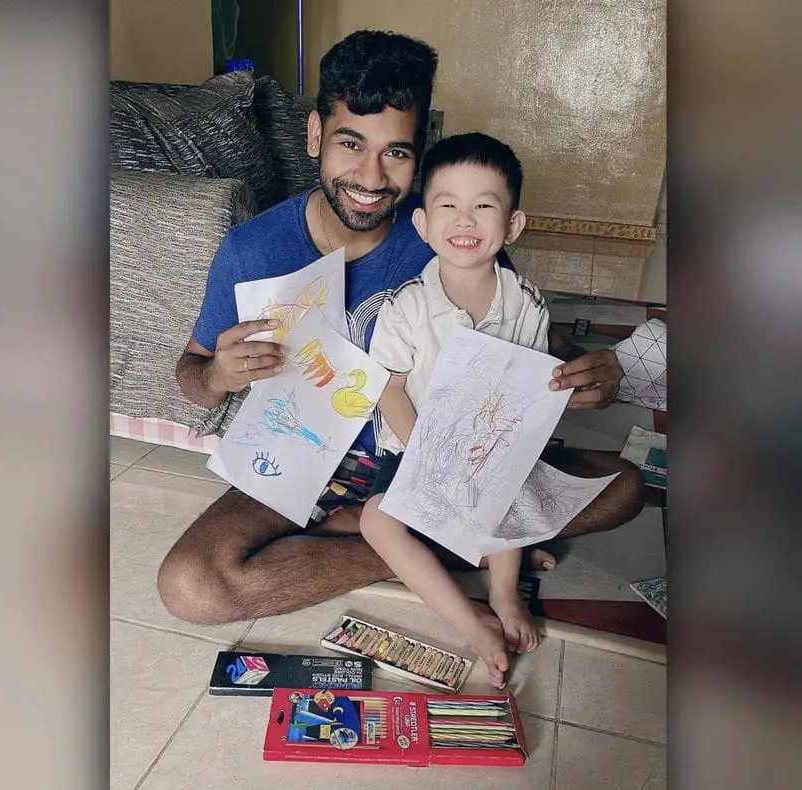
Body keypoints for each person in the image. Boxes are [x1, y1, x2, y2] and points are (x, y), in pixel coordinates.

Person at [158, 29, 643, 627]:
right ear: (314, 135)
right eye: (350, 143)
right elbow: (190, 374)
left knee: (624, 486)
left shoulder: (448, 236)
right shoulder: (252, 249)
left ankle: (413, 540)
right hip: (308, 462)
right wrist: (215, 374)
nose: (371, 175)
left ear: (421, 153)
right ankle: (426, 550)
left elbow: (525, 339)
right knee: (192, 586)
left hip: (447, 456)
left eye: (397, 152)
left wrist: (587, 371)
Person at [361, 132, 574, 688]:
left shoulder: (526, 303)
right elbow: (388, 389)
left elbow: (531, 388)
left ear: (512, 226)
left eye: (484, 205)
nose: (465, 219)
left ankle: (504, 594)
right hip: (415, 448)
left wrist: (499, 451)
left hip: (490, 446)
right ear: (422, 224)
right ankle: (470, 618)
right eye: (447, 204)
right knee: (376, 520)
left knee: (513, 491)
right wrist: (426, 453)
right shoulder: (407, 306)